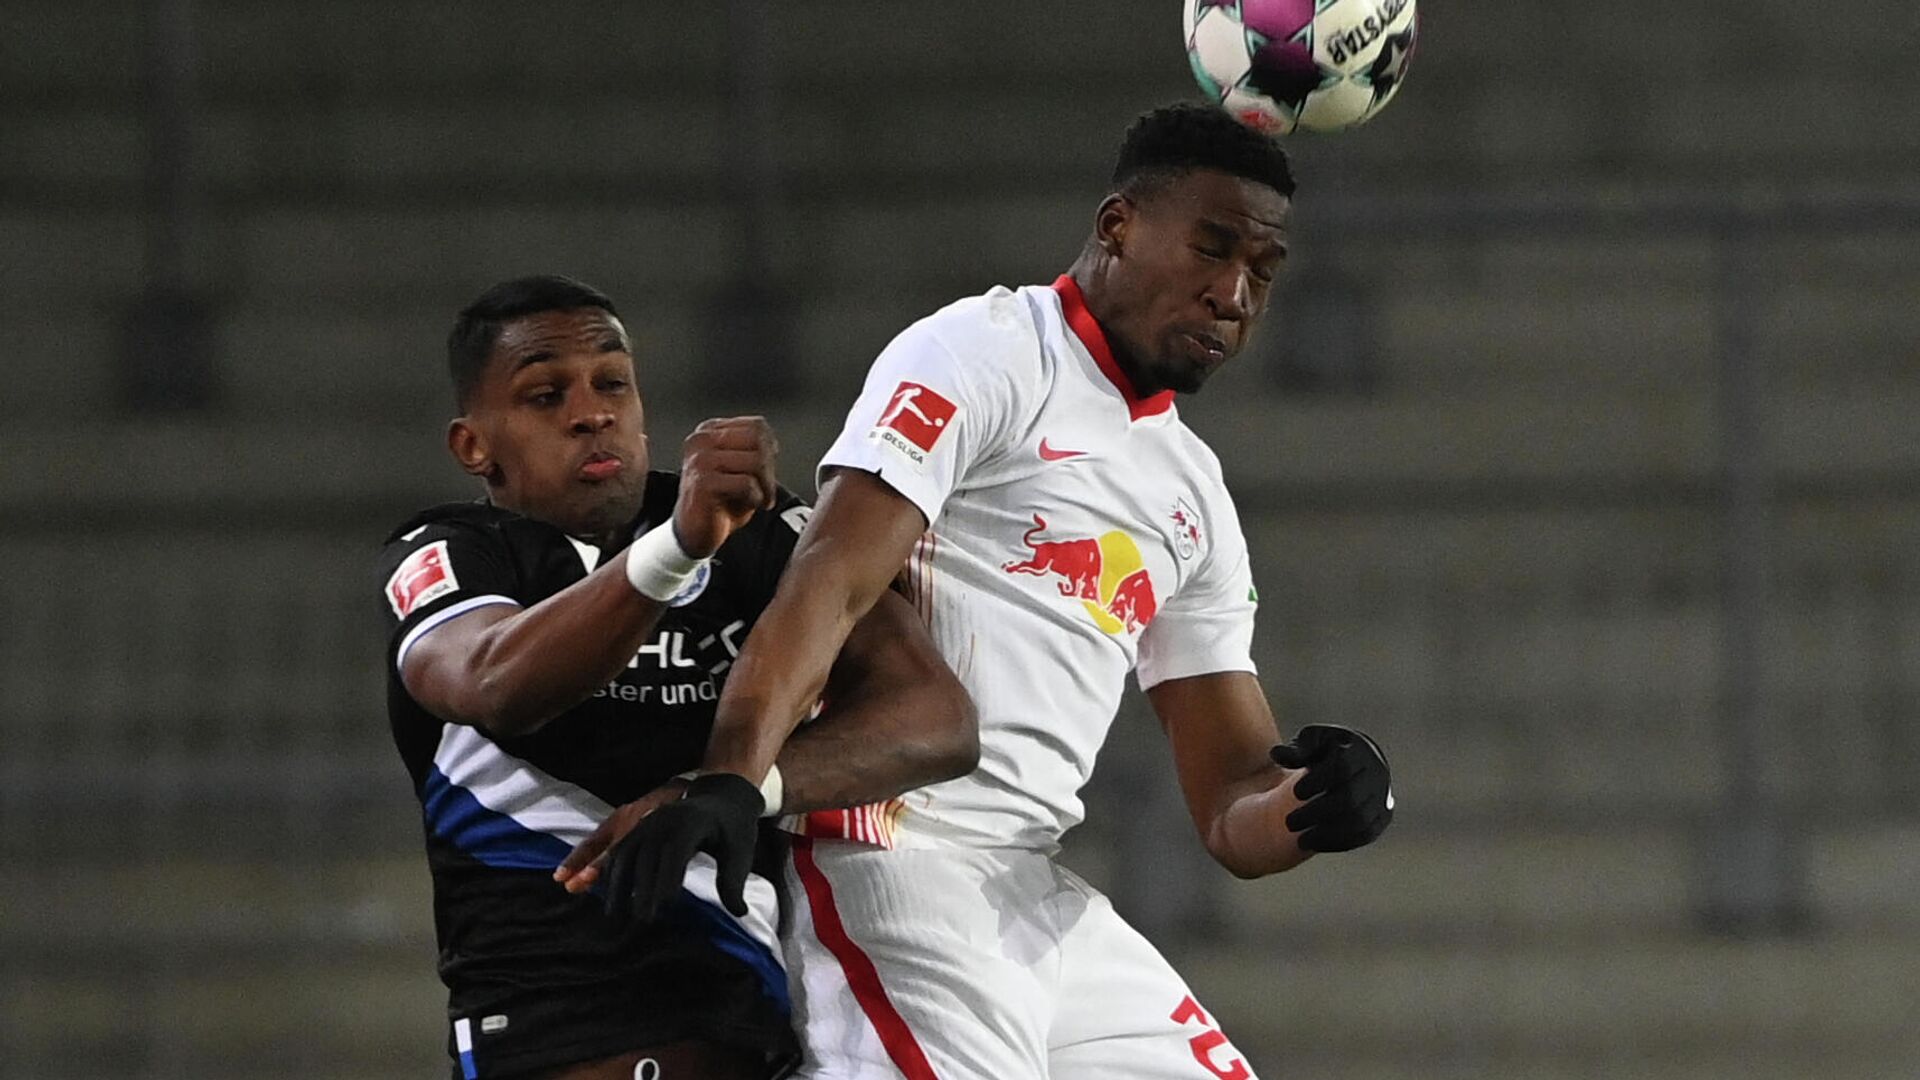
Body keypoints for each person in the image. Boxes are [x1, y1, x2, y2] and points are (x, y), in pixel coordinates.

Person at [567, 103, 1398, 1078]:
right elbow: (828, 583)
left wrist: (1312, 804)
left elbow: (1229, 809)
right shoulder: (984, 353)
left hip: (1033, 891)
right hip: (888, 858)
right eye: (1212, 248)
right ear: (1117, 225)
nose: (1234, 294)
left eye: (1263, 271)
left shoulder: (1195, 498)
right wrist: (731, 778)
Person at [377, 275, 977, 1080]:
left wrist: (731, 788)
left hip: (755, 1030)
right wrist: (675, 550)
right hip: (555, 1035)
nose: (592, 413)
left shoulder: (753, 530)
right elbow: (495, 682)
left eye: (612, 383)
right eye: (546, 394)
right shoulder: (452, 556)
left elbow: (936, 716)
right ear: (473, 447)